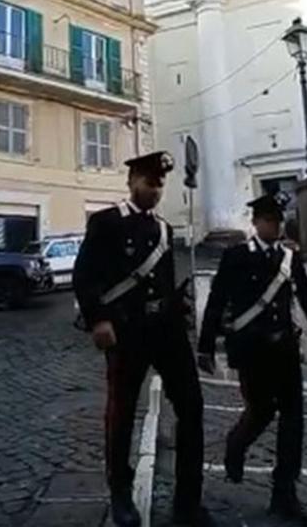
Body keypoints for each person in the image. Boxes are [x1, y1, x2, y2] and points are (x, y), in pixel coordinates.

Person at [73, 151, 212, 527]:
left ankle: (188, 500)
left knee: (192, 407)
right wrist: (98, 319)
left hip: (166, 331)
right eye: (150, 182)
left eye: (160, 184)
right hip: (126, 331)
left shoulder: (165, 230)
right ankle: (120, 494)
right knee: (121, 414)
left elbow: (163, 281)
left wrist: (179, 306)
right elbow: (85, 275)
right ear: (132, 181)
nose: (155, 190)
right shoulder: (106, 222)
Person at [197, 192, 307, 522]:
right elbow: (217, 301)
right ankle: (237, 443)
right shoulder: (236, 256)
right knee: (260, 411)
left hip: (285, 350)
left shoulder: (290, 259)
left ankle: (284, 493)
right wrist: (205, 347)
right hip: (251, 351)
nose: (275, 226)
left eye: (279, 221)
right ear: (256, 222)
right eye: (269, 220)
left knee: (293, 421)